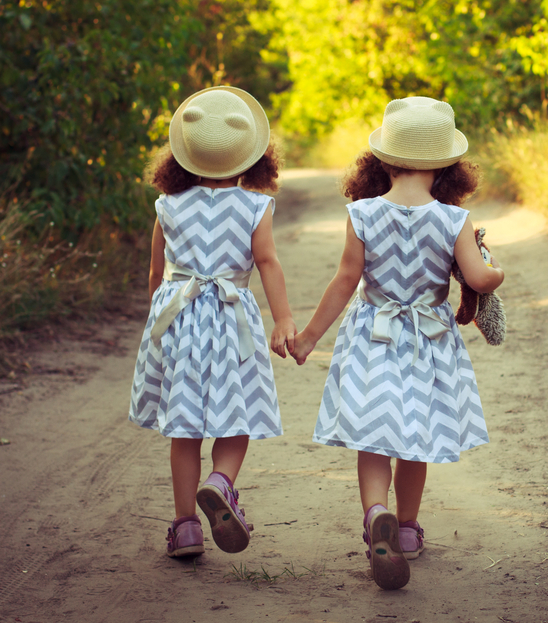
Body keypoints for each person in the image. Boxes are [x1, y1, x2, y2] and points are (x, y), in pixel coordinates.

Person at [291, 97, 504, 589]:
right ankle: (406, 530)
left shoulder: (362, 212)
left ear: (382, 160)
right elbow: (478, 277)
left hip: (372, 336)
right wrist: (497, 271)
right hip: (428, 341)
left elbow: (345, 282)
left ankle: (375, 515)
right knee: (416, 439)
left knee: (373, 436)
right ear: (449, 167)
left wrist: (307, 339)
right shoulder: (455, 220)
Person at [129, 86, 296, 558]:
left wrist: (155, 322)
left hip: (179, 320)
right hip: (230, 322)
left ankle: (185, 527)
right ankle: (221, 482)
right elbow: (267, 263)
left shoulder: (167, 204)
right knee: (235, 415)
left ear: (182, 157)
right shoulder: (254, 206)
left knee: (184, 428)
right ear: (250, 158)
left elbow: (157, 273)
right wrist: (282, 319)